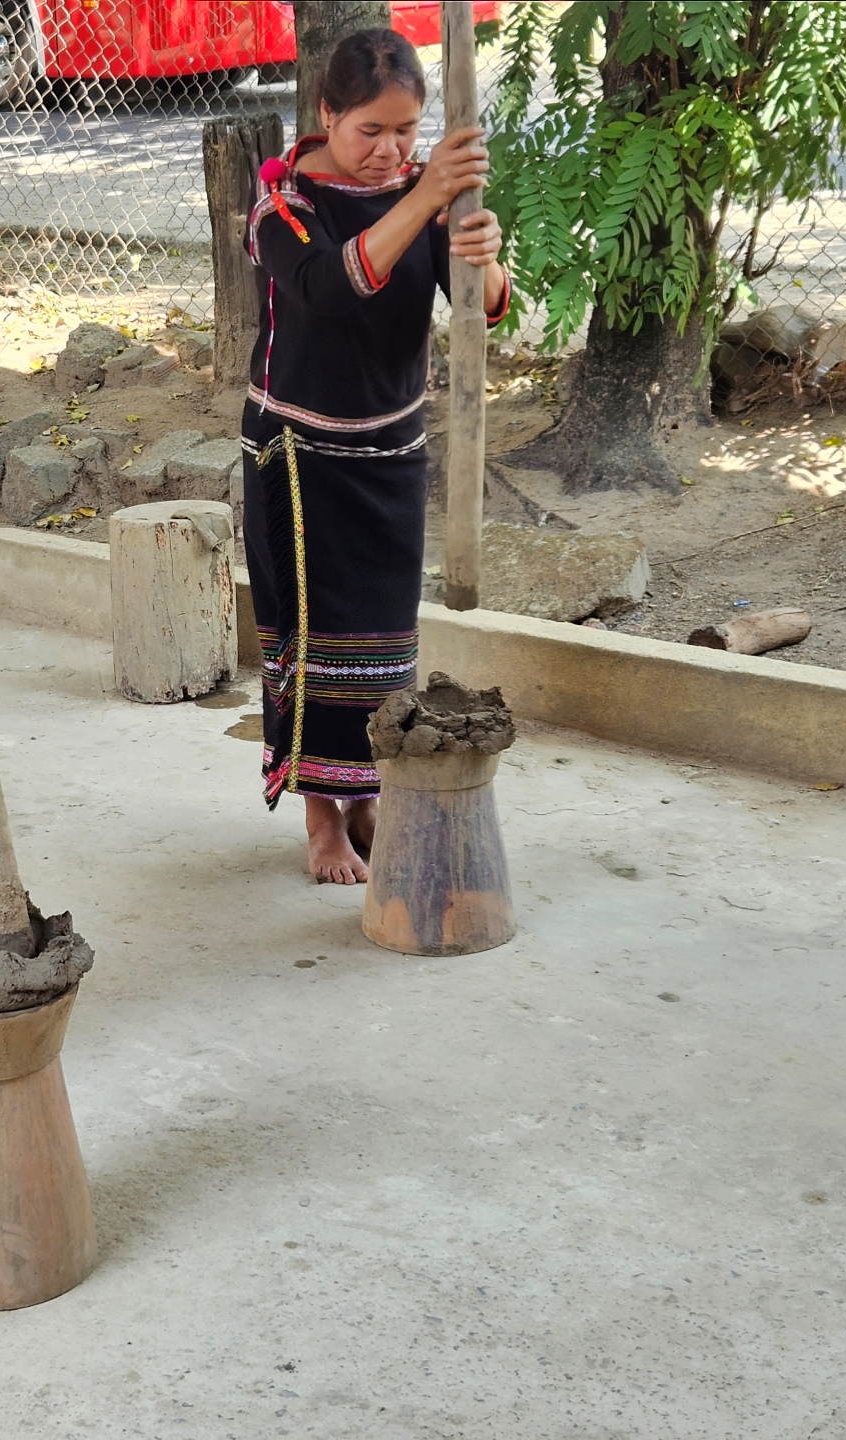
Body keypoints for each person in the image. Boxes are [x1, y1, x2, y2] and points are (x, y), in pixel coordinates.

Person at [242, 28, 510, 884]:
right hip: (300, 456)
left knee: (384, 645)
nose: (390, 152)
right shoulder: (281, 206)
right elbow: (329, 287)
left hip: (392, 447)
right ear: (326, 115)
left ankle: (367, 795)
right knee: (315, 639)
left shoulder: (421, 195)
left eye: (407, 131)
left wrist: (484, 256)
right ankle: (322, 822)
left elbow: (488, 301)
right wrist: (426, 193)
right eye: (370, 132)